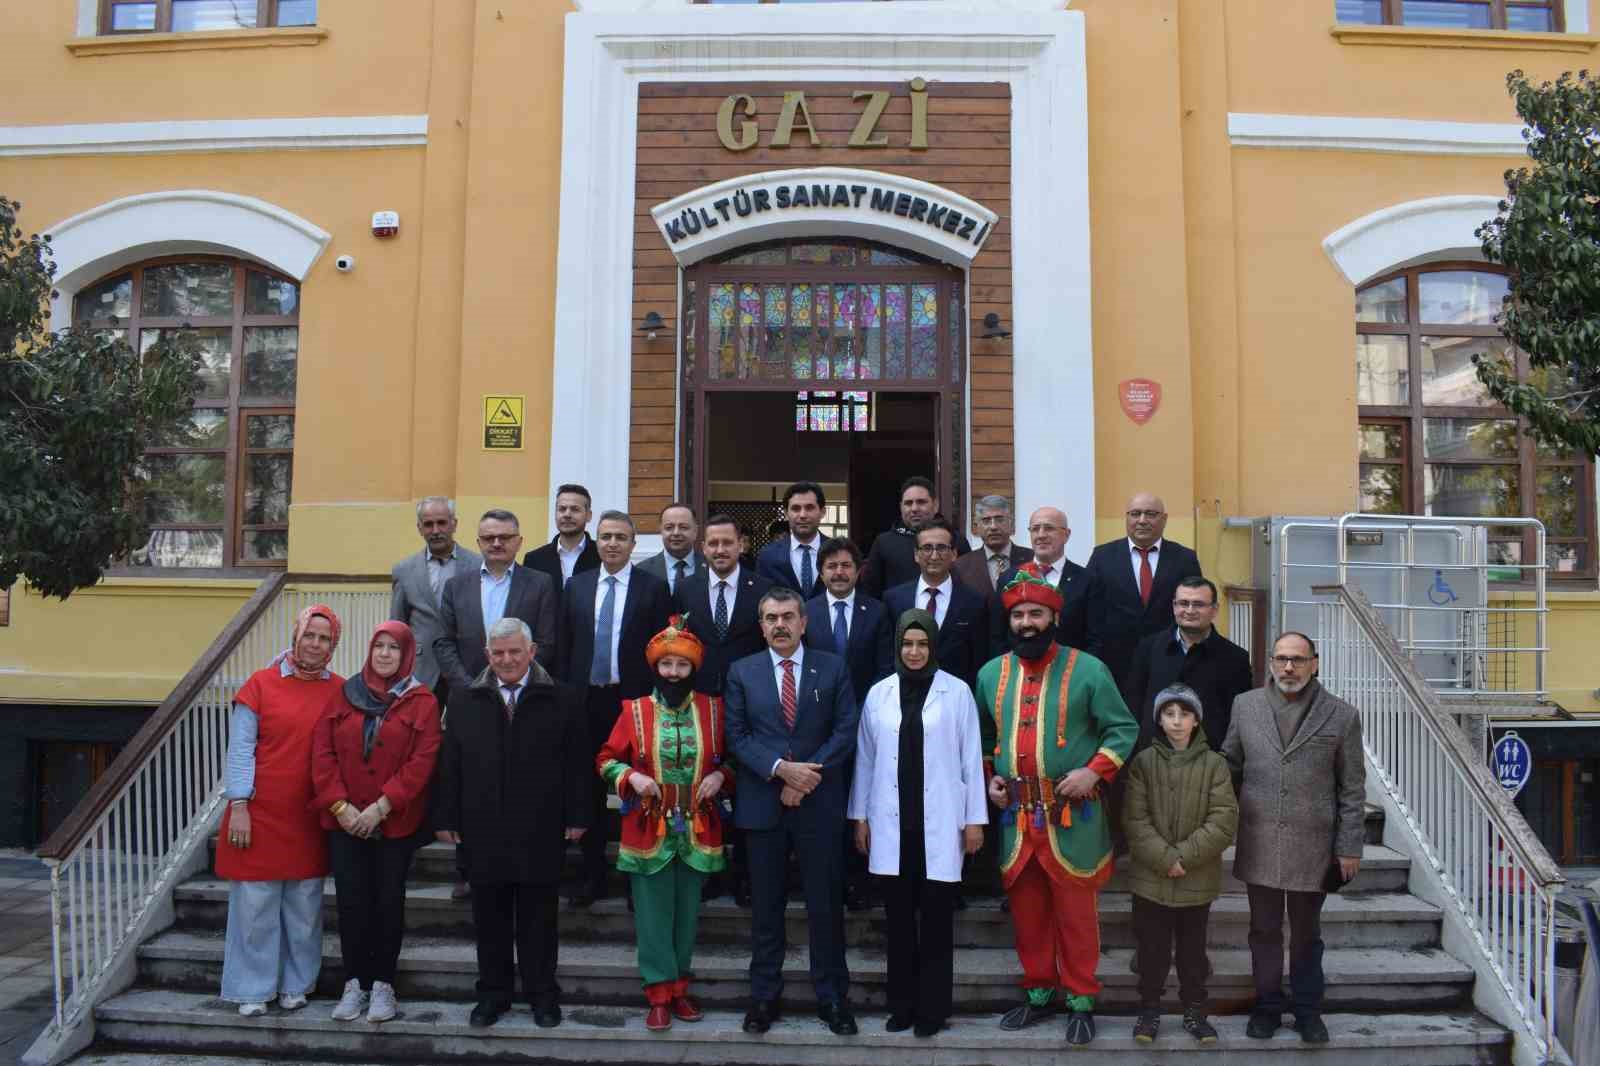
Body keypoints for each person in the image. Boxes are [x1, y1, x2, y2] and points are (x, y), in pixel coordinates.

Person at [979, 568, 1137, 1046]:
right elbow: (985, 740)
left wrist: (1094, 771)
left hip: (1075, 818)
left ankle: (1082, 1000)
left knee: (1075, 914)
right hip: (1016, 819)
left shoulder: (1089, 669)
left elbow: (1122, 729)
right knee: (1028, 914)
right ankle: (1039, 994)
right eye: (1020, 614)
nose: (1027, 622)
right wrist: (992, 780)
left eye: (1037, 613)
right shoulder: (990, 674)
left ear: (1054, 617)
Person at [432, 618, 590, 1030]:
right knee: (490, 919)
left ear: (532, 651)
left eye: (515, 652)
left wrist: (578, 815)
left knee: (540, 919)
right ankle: (493, 995)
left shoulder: (563, 698)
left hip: (542, 827)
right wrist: (445, 816)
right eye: (498, 653)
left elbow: (577, 764)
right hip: (482, 828)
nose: (507, 660)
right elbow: (450, 764)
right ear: (487, 655)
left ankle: (542, 996)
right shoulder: (465, 698)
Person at [724, 587, 860, 1036]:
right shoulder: (741, 671)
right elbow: (737, 737)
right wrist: (782, 771)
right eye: (770, 618)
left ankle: (833, 997)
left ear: (804, 622)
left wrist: (804, 780)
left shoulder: (833, 667)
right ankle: (763, 997)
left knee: (825, 906)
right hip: (763, 806)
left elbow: (845, 730)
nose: (779, 625)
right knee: (766, 909)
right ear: (760, 625)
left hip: (818, 805)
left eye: (787, 616)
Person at [847, 609, 987, 1037]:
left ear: (933, 646)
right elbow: (866, 759)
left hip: (942, 824)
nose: (914, 651)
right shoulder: (879, 694)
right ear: (897, 646)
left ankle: (933, 1010)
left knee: (937, 922)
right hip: (893, 824)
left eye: (922, 643)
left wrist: (974, 821)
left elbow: (970, 759)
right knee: (900, 921)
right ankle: (902, 1006)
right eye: (907, 644)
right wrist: (860, 816)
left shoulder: (957, 693)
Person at [1223, 632, 1365, 1045]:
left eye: (1298, 660)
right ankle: (1267, 1007)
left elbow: (1352, 789)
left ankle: (1307, 1011)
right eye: (1282, 659)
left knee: (1306, 933)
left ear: (1314, 663)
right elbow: (1229, 767)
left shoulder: (1341, 715)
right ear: (1270, 663)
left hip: (1314, 846)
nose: (1289, 667)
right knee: (1263, 930)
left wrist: (1349, 847)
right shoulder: (1245, 706)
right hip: (1259, 838)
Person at [595, 618, 733, 1031]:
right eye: (667, 664)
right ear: (656, 667)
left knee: (687, 915)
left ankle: (680, 991)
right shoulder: (633, 710)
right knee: (653, 916)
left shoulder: (714, 709)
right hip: (647, 828)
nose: (673, 672)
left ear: (694, 670)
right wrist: (631, 778)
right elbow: (605, 759)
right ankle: (657, 993)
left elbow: (734, 758)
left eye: (682, 665)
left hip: (697, 826)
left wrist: (721, 776)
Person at [311, 621, 442, 1024]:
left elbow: (422, 762)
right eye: (378, 646)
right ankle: (355, 984)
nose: (385, 654)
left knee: (387, 901)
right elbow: (323, 752)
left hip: (393, 822)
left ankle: (383, 985)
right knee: (351, 902)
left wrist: (381, 807)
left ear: (406, 656)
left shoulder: (422, 701)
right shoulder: (345, 694)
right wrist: (341, 807)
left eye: (394, 648)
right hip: (345, 821)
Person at [216, 605, 343, 1016]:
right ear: (296, 636)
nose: (315, 644)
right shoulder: (260, 684)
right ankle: (251, 989)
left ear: (333, 645)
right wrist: (239, 804)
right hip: (259, 812)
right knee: (256, 905)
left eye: (324, 638)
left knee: (305, 907)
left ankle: (296, 984)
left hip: (310, 815)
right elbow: (241, 749)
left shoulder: (340, 691)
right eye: (310, 635)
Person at [557, 510, 673, 908]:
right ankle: (592, 876)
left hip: (633, 703)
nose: (611, 543)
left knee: (638, 788)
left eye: (620, 537)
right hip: (585, 700)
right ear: (597, 539)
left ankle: (634, 876)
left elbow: (661, 652)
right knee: (587, 788)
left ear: (633, 543)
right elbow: (565, 645)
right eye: (605, 536)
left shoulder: (653, 588)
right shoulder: (576, 586)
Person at [1122, 683, 1238, 1046]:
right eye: (1169, 714)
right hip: (1150, 877)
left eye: (1184, 714)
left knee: (1192, 951)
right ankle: (1149, 1009)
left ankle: (1194, 1010)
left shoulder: (1214, 764)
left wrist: (1183, 857)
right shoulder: (1143, 762)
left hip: (1195, 876)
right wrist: (1164, 857)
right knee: (1152, 948)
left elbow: (1223, 818)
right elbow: (1134, 819)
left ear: (1196, 720)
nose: (1176, 722)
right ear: (1158, 718)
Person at [673, 514, 774, 906]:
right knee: (704, 792)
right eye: (713, 544)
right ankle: (708, 871)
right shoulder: (685, 589)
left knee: (748, 789)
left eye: (727, 543)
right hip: (697, 705)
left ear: (741, 545)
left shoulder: (762, 588)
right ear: (703, 548)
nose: (720, 550)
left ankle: (745, 875)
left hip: (750, 705)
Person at [389, 495, 479, 900]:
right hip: (420, 674)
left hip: (464, 672)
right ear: (419, 528)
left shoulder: (478, 564)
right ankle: (408, 845)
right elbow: (395, 626)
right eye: (429, 524)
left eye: (443, 522)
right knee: (411, 757)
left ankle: (467, 862)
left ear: (455, 523)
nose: (437, 530)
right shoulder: (404, 570)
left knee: (464, 760)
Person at [804, 536, 893, 911]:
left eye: (846, 566)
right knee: (829, 807)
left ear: (859, 571)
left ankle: (863, 881)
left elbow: (886, 667)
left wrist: (866, 713)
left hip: (867, 723)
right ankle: (829, 882)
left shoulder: (877, 611)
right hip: (817, 727)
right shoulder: (804, 612)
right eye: (831, 566)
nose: (839, 573)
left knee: (865, 801)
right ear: (821, 572)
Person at [1072, 492, 1202, 688]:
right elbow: (1089, 610)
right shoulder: (1103, 556)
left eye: (1151, 514)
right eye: (1135, 514)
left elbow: (1196, 607)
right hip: (1114, 664)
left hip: (1168, 660)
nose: (1142, 520)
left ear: (1164, 519)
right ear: (1127, 517)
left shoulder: (1184, 558)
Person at [1122, 576, 1253, 754]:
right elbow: (1133, 705)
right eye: (1183, 603)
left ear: (1214, 610)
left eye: (1198, 604)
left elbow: (1238, 719)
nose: (1189, 610)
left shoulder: (1235, 658)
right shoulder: (1148, 648)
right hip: (1152, 760)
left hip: (1208, 763)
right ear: (1174, 606)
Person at [435, 509, 558, 686]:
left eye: (505, 537)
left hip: (521, 692)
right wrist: (467, 684)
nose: (497, 543)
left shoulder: (540, 584)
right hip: (469, 691)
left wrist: (517, 678)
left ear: (519, 542)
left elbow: (546, 642)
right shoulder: (455, 587)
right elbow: (444, 643)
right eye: (489, 538)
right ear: (478, 543)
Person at [883, 519, 990, 693]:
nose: (934, 556)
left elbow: (978, 660)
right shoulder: (894, 599)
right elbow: (889, 656)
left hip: (955, 699)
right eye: (927, 548)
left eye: (941, 548)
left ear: (954, 554)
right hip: (903, 696)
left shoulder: (974, 602)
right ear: (916, 555)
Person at [990, 506, 1086, 655]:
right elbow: (997, 635)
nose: (1041, 535)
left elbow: (1095, 637)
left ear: (1066, 534)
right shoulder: (1009, 578)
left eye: (1049, 528)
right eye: (1035, 529)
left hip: (1071, 671)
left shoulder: (1086, 580)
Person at [860, 476, 968, 598]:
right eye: (908, 503)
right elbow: (870, 592)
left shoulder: (956, 541)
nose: (914, 508)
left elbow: (966, 585)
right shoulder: (883, 543)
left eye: (921, 502)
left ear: (936, 505)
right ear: (901, 507)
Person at [756, 480, 828, 598]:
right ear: (786, 513)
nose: (803, 515)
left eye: (809, 508)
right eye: (795, 508)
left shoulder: (838, 552)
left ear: (822, 512)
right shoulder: (767, 556)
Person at [522, 483, 600, 590]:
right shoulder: (534, 559)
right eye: (562, 509)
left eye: (575, 509)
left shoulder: (602, 556)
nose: (567, 514)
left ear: (588, 515)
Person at [952, 495, 1033, 597]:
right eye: (986, 521)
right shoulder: (961, 567)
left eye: (999, 519)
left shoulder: (1032, 559)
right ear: (977, 527)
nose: (993, 527)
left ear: (1011, 523)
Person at [639, 502, 704, 596]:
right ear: (661, 531)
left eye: (683, 527)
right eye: (669, 527)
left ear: (695, 531)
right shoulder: (642, 571)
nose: (676, 533)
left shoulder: (711, 568)